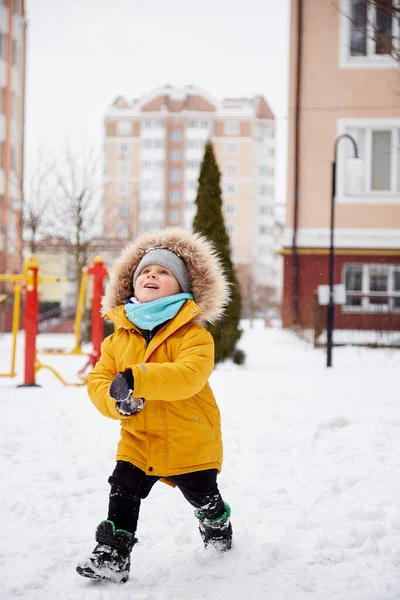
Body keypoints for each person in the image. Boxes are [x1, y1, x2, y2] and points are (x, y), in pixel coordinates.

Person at [76, 227, 233, 584]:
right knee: (123, 487)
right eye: (145, 271)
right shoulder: (120, 338)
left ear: (182, 287)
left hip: (189, 438)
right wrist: (118, 404)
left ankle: (216, 521)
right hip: (139, 437)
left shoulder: (193, 335)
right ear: (132, 285)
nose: (152, 275)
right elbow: (99, 380)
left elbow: (189, 375)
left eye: (164, 272)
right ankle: (112, 554)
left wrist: (137, 378)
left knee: (202, 494)